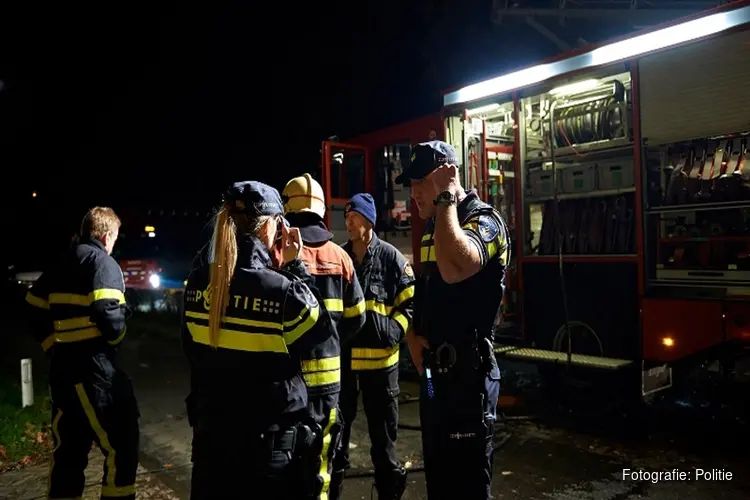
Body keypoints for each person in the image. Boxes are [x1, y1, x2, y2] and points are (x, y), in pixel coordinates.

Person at [182, 181, 339, 500]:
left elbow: (193, 353)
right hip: (268, 455)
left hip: (211, 448)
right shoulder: (282, 293)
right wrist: (296, 267)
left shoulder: (197, 285)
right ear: (272, 227)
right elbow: (322, 334)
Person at [397, 141, 510, 500]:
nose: (413, 193)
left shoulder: (484, 220)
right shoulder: (434, 226)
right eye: (410, 185)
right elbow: (427, 288)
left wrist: (446, 199)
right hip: (433, 378)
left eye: (421, 183)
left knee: (468, 481)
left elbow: (454, 267)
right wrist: (413, 334)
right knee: (439, 471)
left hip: (468, 378)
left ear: (448, 177)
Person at [25, 207, 140, 500]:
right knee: (121, 446)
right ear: (106, 235)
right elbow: (108, 313)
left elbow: (31, 307)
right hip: (94, 372)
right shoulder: (103, 263)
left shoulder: (61, 262)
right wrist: (117, 336)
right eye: (114, 237)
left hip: (62, 371)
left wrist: (52, 344)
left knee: (69, 453)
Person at [281, 173, 366, 498]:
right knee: (323, 469)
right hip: (330, 385)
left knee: (287, 465)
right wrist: (331, 344)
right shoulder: (341, 258)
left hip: (290, 383)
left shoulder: (281, 255)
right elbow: (357, 318)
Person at [337, 193, 416, 500]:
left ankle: (389, 491)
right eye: (347, 217)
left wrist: (393, 331)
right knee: (337, 441)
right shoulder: (341, 258)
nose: (349, 221)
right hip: (344, 366)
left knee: (383, 443)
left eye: (354, 216)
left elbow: (409, 301)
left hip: (382, 369)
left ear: (369, 221)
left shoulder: (391, 258)